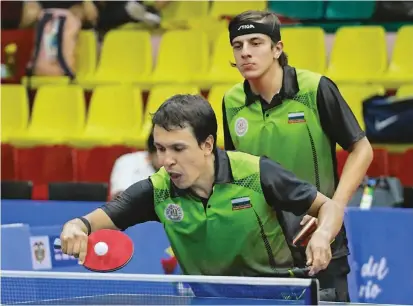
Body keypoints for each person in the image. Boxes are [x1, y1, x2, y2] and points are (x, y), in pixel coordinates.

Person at [59, 94, 345, 284]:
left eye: (178, 149)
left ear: (207, 145)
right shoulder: (158, 190)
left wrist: (322, 235)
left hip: (274, 295)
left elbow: (328, 207)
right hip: (208, 299)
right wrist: (76, 226)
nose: (167, 160)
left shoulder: (255, 173)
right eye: (160, 149)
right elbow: (93, 221)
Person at [221, 10, 374, 301]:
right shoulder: (231, 102)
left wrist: (334, 212)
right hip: (262, 245)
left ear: (277, 48)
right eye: (238, 46)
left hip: (316, 235)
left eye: (256, 42)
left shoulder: (314, 89)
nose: (245, 53)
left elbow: (362, 149)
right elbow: (236, 171)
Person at [109, 131, 160, 199]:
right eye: (162, 154)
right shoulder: (128, 161)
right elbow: (121, 198)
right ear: (150, 154)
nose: (168, 160)